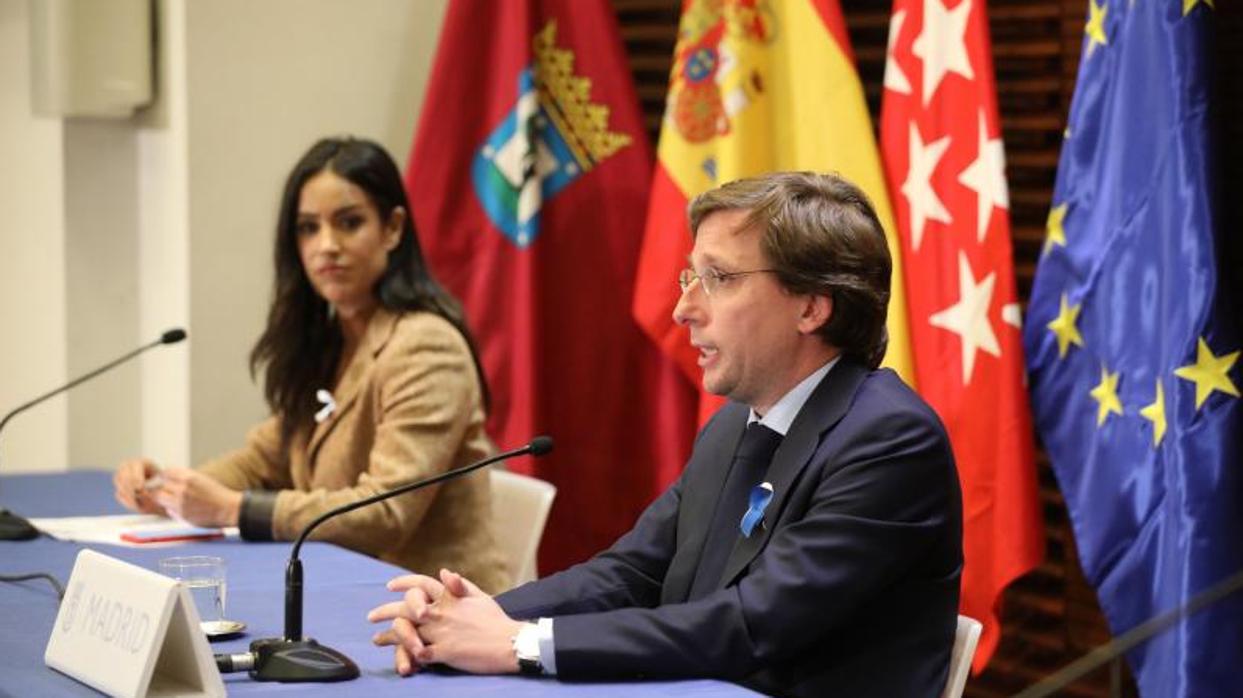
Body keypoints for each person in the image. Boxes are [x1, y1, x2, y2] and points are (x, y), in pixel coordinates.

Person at [366, 171, 963, 696]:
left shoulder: (890, 441)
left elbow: (750, 624)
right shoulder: (736, 425)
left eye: (720, 278)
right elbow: (632, 572)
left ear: (811, 307)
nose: (684, 309)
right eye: (691, 276)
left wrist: (520, 643)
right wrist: (476, 616)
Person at [113, 137, 510, 594]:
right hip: (348, 590)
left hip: (439, 611)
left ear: (393, 229)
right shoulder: (329, 341)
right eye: (308, 228)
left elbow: (385, 514)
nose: (326, 246)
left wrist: (230, 509)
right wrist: (170, 489)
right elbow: (264, 459)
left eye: (349, 223)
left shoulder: (426, 346)